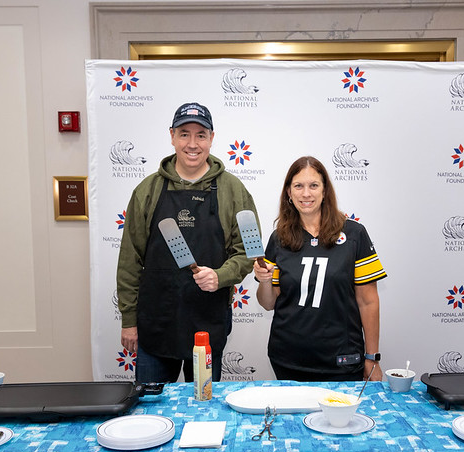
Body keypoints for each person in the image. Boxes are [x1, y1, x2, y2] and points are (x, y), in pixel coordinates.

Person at [117, 102, 258, 384]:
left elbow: (247, 252)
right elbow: (130, 260)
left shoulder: (233, 190)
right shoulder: (148, 190)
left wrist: (221, 276)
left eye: (200, 135)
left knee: (203, 409)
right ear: (172, 136)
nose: (192, 144)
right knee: (151, 411)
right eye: (184, 134)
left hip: (207, 321)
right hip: (156, 323)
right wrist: (129, 320)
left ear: (211, 138)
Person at [254, 156, 386, 381]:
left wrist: (371, 357)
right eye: (298, 186)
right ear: (289, 192)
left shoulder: (354, 234)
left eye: (313, 185)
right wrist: (265, 281)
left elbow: (368, 301)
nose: (306, 194)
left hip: (342, 360)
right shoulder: (279, 238)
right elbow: (268, 303)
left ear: (325, 191)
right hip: (288, 359)